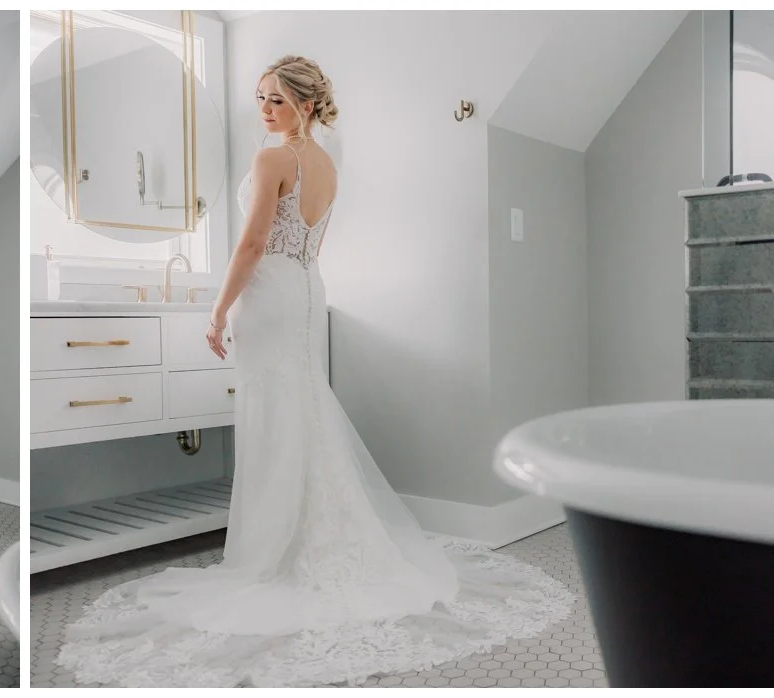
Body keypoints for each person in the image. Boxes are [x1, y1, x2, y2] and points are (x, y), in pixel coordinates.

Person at [58, 56, 575, 688]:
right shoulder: (326, 165)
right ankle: (304, 532)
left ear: (304, 104)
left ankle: (274, 549)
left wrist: (218, 309)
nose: (264, 109)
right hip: (303, 288)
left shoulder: (274, 159)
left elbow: (250, 246)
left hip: (271, 294)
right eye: (259, 98)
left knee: (276, 413)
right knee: (298, 406)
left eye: (275, 99)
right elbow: (309, 245)